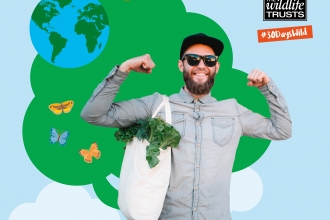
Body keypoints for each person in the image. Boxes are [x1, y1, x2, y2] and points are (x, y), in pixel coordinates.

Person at [81, 33, 292, 220]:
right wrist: (123, 69)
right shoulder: (156, 105)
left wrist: (267, 87)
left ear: (216, 67)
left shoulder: (233, 110)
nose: (201, 65)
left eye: (209, 60)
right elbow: (94, 115)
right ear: (181, 65)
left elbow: (282, 130)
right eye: (193, 59)